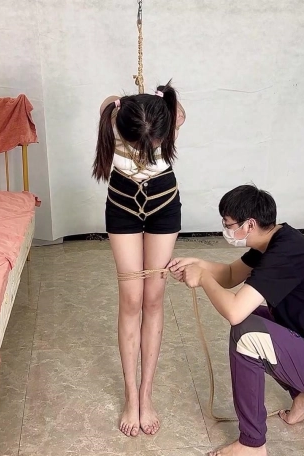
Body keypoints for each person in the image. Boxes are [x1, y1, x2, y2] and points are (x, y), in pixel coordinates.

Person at [168, 184, 304, 456]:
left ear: (250, 224)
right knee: (254, 318)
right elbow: (231, 274)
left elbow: (234, 311)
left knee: (245, 333)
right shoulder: (274, 240)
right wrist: (198, 264)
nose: (225, 230)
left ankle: (252, 444)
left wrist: (204, 278)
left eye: (228, 224)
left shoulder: (285, 254)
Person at [93, 81, 186, 437]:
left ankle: (147, 394)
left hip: (164, 205)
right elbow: (109, 101)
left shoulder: (169, 118)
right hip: (122, 207)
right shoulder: (115, 117)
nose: (145, 151)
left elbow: (177, 110)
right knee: (131, 299)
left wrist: (160, 100)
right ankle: (131, 396)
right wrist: (126, 103)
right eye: (137, 145)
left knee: (154, 298)